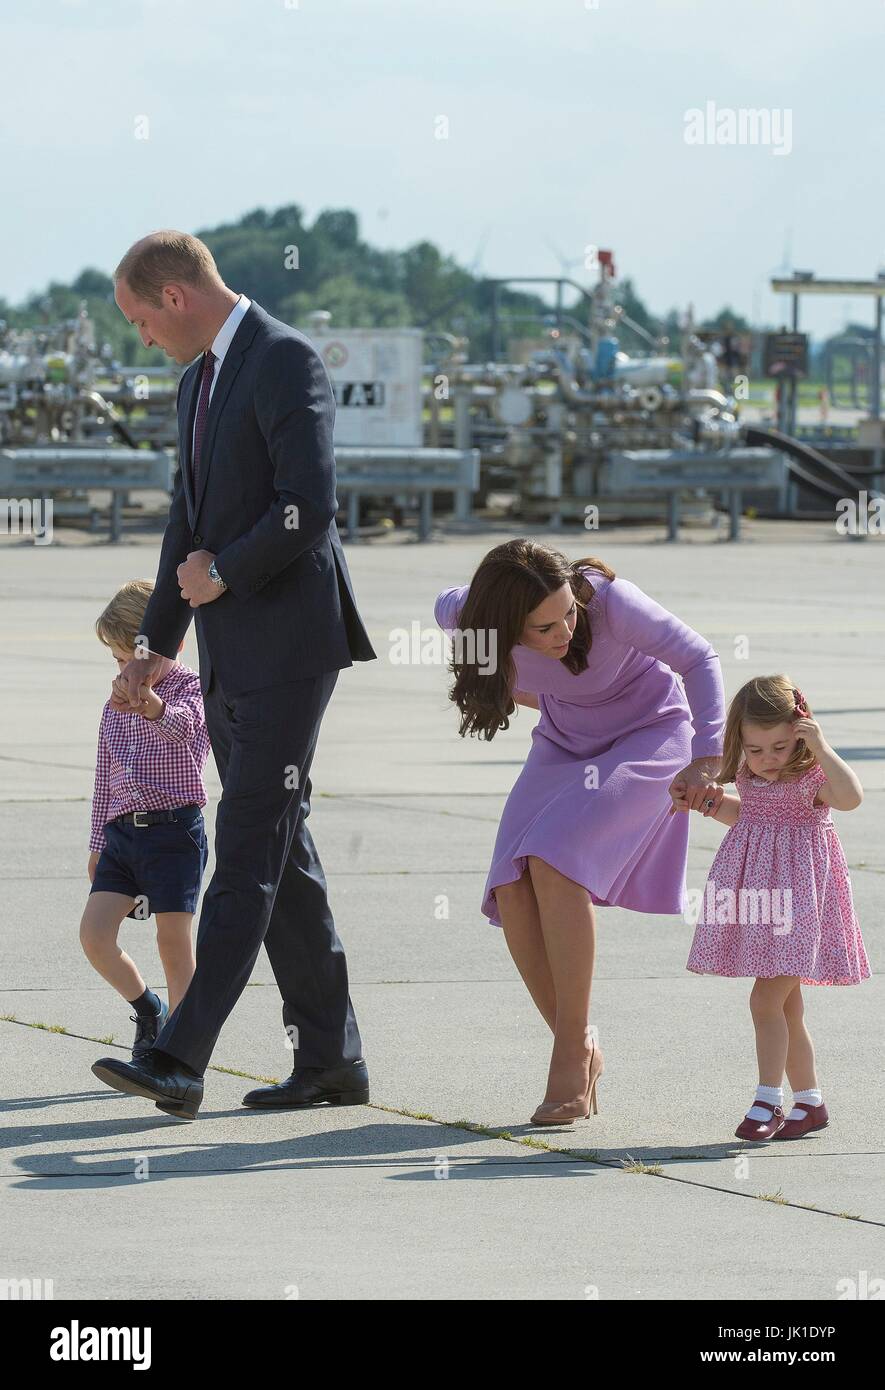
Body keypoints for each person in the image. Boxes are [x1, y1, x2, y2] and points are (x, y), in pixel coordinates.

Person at [91, 230, 377, 1121]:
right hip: (226, 648)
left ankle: (179, 1054)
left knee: (247, 842)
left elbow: (308, 502)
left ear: (174, 297)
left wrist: (227, 572)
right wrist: (157, 645)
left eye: (140, 319)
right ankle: (330, 1061)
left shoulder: (283, 359)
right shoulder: (197, 381)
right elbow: (190, 517)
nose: (143, 340)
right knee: (283, 854)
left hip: (290, 645)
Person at [434, 538, 726, 1127]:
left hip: (650, 734)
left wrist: (707, 756)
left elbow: (700, 657)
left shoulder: (611, 602)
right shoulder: (466, 612)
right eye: (543, 627)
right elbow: (452, 615)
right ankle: (581, 1043)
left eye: (568, 612)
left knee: (554, 862)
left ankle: (567, 1056)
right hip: (565, 743)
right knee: (511, 884)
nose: (565, 629)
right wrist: (528, 687)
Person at [681, 677, 869, 1141]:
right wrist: (710, 803)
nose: (767, 759)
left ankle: (768, 1100)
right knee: (787, 1009)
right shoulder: (749, 776)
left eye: (780, 747)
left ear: (801, 734)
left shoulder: (812, 779)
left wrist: (822, 748)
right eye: (756, 749)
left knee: (764, 999)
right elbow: (750, 817)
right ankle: (811, 1102)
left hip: (802, 905)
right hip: (764, 903)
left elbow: (851, 798)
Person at [83, 579, 209, 1057]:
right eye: (116, 661)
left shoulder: (190, 687)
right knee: (95, 936)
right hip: (122, 834)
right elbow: (103, 776)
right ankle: (149, 1008)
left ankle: (181, 1045)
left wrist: (154, 708)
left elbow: (192, 733)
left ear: (169, 646)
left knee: (173, 941)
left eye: (130, 658)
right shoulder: (113, 703)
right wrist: (97, 841)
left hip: (174, 830)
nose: (123, 671)